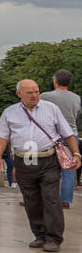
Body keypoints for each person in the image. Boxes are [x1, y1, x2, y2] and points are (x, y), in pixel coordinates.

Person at [0, 79, 81, 252]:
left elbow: (68, 133)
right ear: (19, 94)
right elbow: (2, 137)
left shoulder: (51, 108)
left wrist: (76, 153)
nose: (34, 95)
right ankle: (40, 235)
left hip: (48, 160)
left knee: (51, 199)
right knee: (31, 201)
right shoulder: (9, 112)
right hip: (24, 161)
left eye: (36, 91)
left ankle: (54, 238)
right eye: (29, 92)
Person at [41, 71, 80, 209]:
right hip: (71, 136)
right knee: (68, 169)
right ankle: (65, 200)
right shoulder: (76, 98)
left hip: (51, 136)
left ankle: (43, 197)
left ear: (55, 80)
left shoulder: (45, 96)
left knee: (44, 167)